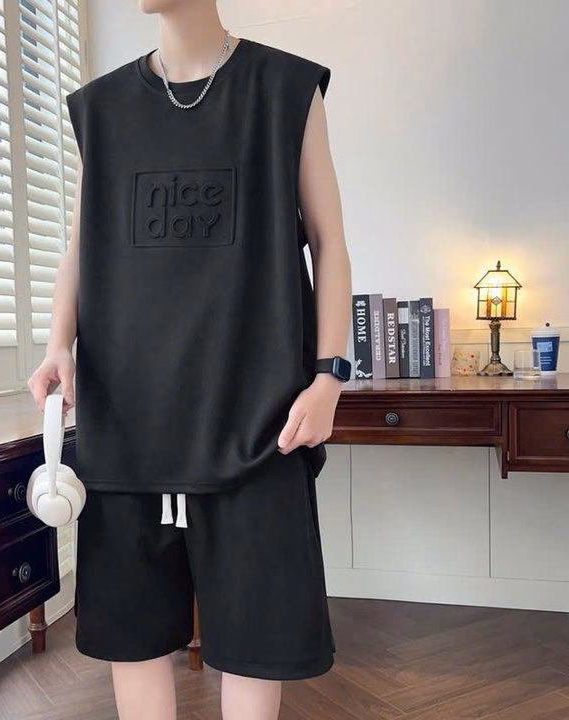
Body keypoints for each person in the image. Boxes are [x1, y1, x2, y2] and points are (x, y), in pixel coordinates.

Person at [27, 1, 352, 718]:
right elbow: (81, 246)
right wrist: (56, 345)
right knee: (133, 636)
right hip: (127, 419)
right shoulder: (102, 108)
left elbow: (329, 242)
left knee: (257, 639)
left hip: (260, 418)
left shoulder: (286, 89)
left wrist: (330, 375)